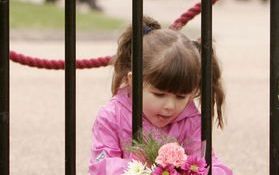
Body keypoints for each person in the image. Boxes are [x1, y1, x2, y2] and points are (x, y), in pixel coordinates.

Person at [88, 16, 233, 175]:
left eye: (180, 97)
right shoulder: (112, 116)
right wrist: (147, 171)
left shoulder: (190, 121)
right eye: (159, 94)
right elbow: (101, 166)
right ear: (133, 81)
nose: (170, 106)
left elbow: (208, 163)